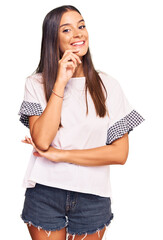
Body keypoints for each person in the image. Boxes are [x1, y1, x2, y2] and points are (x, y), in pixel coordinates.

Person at [18, 5, 145, 240]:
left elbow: (119, 154)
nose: (78, 34)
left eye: (82, 26)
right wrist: (60, 82)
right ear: (52, 39)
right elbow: (42, 141)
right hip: (45, 193)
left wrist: (61, 155)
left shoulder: (108, 86)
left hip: (93, 197)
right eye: (67, 30)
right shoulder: (35, 84)